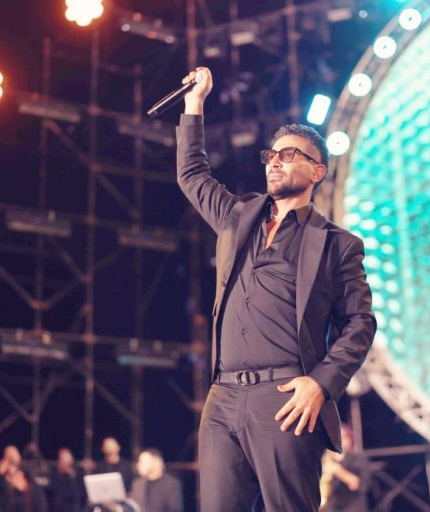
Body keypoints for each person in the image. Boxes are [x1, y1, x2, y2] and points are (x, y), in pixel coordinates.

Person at [176, 66, 376, 512]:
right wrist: (195, 103)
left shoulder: (336, 244)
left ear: (317, 171)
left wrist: (321, 384)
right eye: (271, 155)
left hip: (285, 399)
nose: (275, 162)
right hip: (223, 397)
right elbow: (191, 174)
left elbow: (360, 324)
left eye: (289, 155)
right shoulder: (237, 217)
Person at [320, 425, 371, 512]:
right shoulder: (327, 458)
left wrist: (337, 470)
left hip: (352, 507)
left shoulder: (358, 458)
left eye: (343, 437)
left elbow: (358, 484)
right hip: (332, 507)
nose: (339, 441)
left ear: (350, 440)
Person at [49, 447, 86, 512]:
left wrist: (72, 475)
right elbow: (56, 499)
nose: (65, 462)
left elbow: (81, 495)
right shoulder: (54, 477)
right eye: (63, 459)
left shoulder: (78, 476)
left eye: (67, 458)